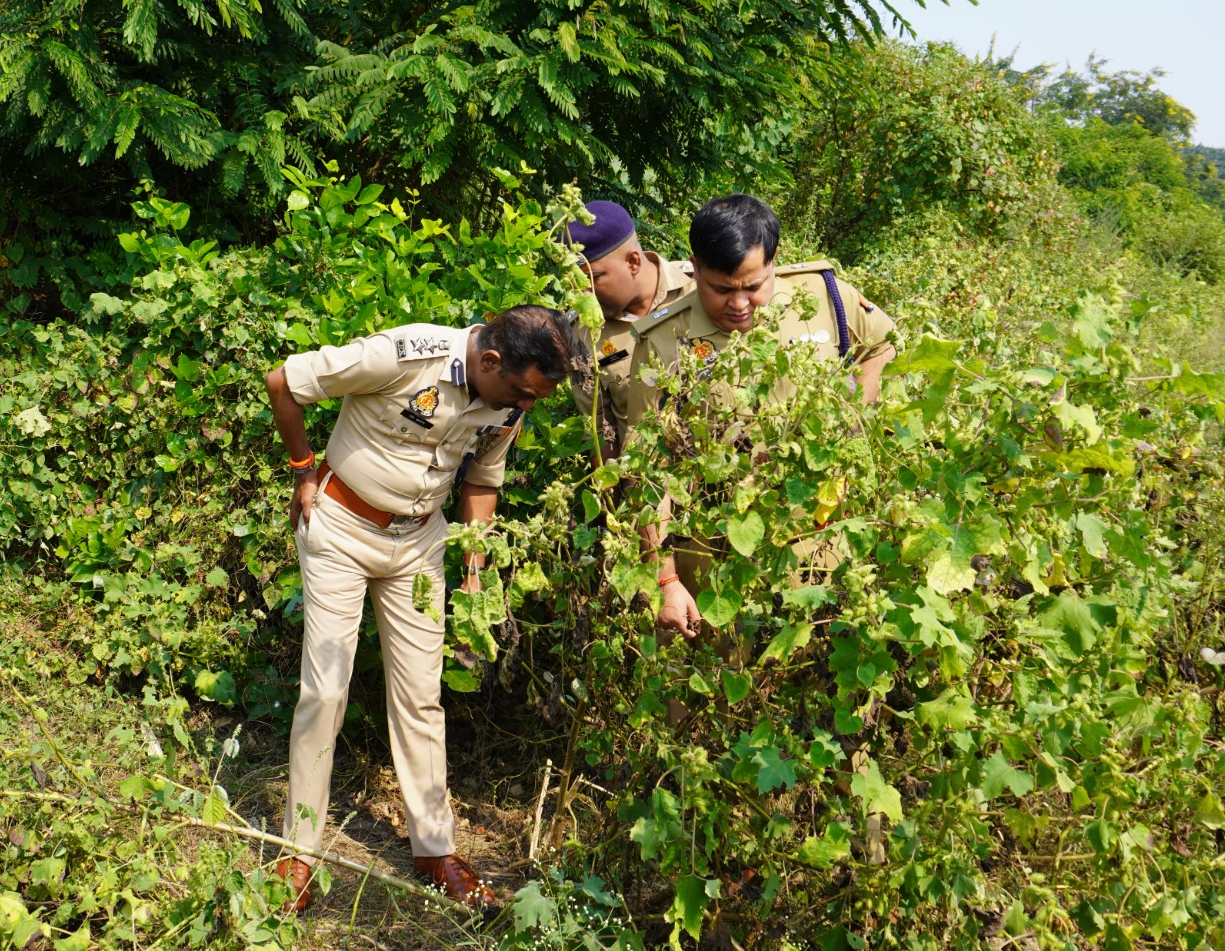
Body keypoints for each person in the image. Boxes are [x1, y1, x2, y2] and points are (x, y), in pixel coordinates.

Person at [263, 305, 578, 911]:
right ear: (489, 361)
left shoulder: (512, 396)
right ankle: (298, 854)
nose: (525, 406)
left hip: (421, 544)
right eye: (521, 391)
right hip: (342, 530)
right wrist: (303, 469)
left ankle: (435, 849)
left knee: (420, 695)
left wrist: (475, 570)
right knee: (325, 692)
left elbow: (482, 481)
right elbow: (286, 383)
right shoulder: (405, 355)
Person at [623, 194, 897, 642]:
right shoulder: (662, 340)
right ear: (693, 267)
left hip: (817, 538)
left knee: (814, 665)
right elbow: (645, 470)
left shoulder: (824, 295)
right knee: (716, 680)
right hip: (713, 551)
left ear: (773, 262)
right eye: (722, 289)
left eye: (754, 286)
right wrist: (666, 581)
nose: (740, 304)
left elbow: (884, 345)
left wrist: (852, 418)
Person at [565, 200, 697, 461]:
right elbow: (599, 429)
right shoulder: (584, 331)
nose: (583, 294)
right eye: (575, 283)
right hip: (644, 487)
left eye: (593, 278)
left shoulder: (698, 290)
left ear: (633, 262)